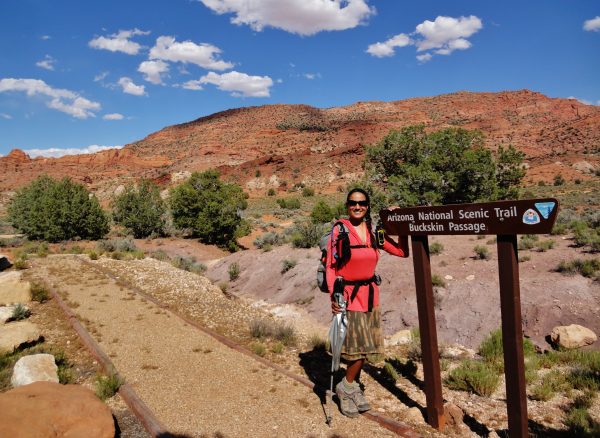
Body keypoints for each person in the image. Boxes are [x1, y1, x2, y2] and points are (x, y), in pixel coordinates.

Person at [326, 188, 408, 418]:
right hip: (348, 295)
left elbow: (402, 252)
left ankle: (350, 387)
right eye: (353, 203)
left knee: (366, 347)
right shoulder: (339, 230)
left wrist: (401, 226)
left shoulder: (374, 232)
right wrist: (334, 296)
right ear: (347, 205)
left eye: (362, 203)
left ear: (368, 205)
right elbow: (332, 267)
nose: (357, 207)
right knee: (357, 350)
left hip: (370, 295)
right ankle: (347, 387)